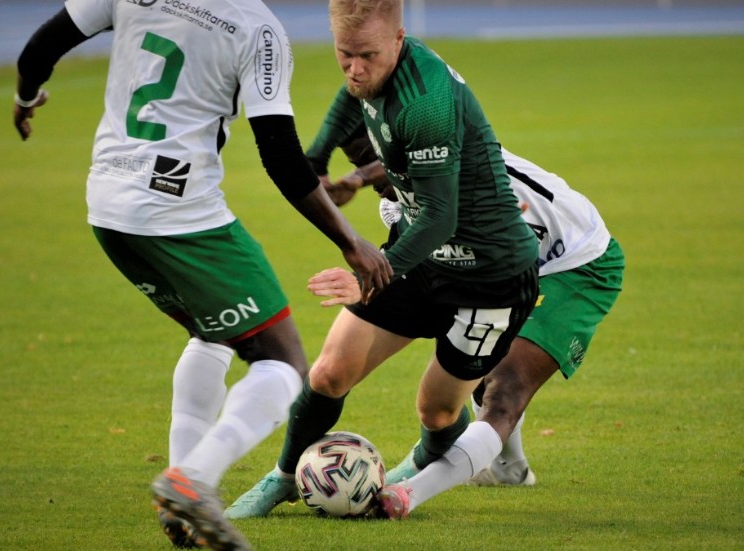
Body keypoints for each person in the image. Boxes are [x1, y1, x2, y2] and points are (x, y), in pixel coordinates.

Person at [12, 1, 392, 548]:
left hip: (108, 206)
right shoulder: (257, 28)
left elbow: (40, 48)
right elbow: (281, 155)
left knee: (211, 334)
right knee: (282, 361)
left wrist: (26, 98)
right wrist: (350, 241)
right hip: (181, 215)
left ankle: (178, 503)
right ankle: (193, 482)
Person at [225, 0, 540, 521]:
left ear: (399, 40)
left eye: (368, 55)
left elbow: (440, 216)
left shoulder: (427, 104)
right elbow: (352, 100)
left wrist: (365, 274)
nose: (355, 68)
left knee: (436, 410)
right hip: (421, 259)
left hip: (490, 277)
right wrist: (317, 160)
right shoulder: (368, 73)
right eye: (344, 55)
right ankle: (282, 478)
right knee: (329, 373)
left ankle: (414, 474)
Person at [317, 137, 624, 502]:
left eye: (375, 166)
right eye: (361, 166)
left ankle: (407, 495)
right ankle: (509, 469)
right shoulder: (398, 205)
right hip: (506, 265)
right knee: (477, 354)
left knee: (505, 384)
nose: (379, 186)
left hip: (576, 262)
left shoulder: (467, 175)